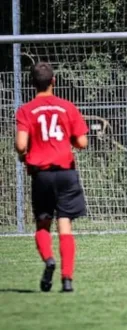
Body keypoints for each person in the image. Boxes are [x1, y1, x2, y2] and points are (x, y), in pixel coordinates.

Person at [14, 62, 89, 292]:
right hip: (66, 173)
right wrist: (70, 142)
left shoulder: (26, 110)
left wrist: (25, 154)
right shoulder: (67, 107)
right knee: (64, 225)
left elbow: (20, 145)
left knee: (43, 223)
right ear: (54, 81)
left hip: (42, 175)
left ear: (31, 84)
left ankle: (49, 260)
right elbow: (82, 142)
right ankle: (67, 280)